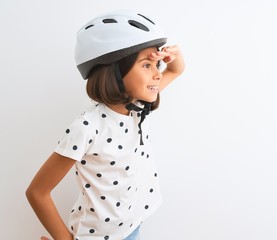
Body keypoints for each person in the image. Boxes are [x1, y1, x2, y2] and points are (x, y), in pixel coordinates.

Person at [26, 9, 185, 240]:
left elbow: (176, 69)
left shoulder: (138, 106)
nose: (158, 75)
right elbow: (37, 192)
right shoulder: (88, 127)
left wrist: (174, 53)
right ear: (116, 72)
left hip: (132, 227)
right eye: (146, 65)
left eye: (156, 65)